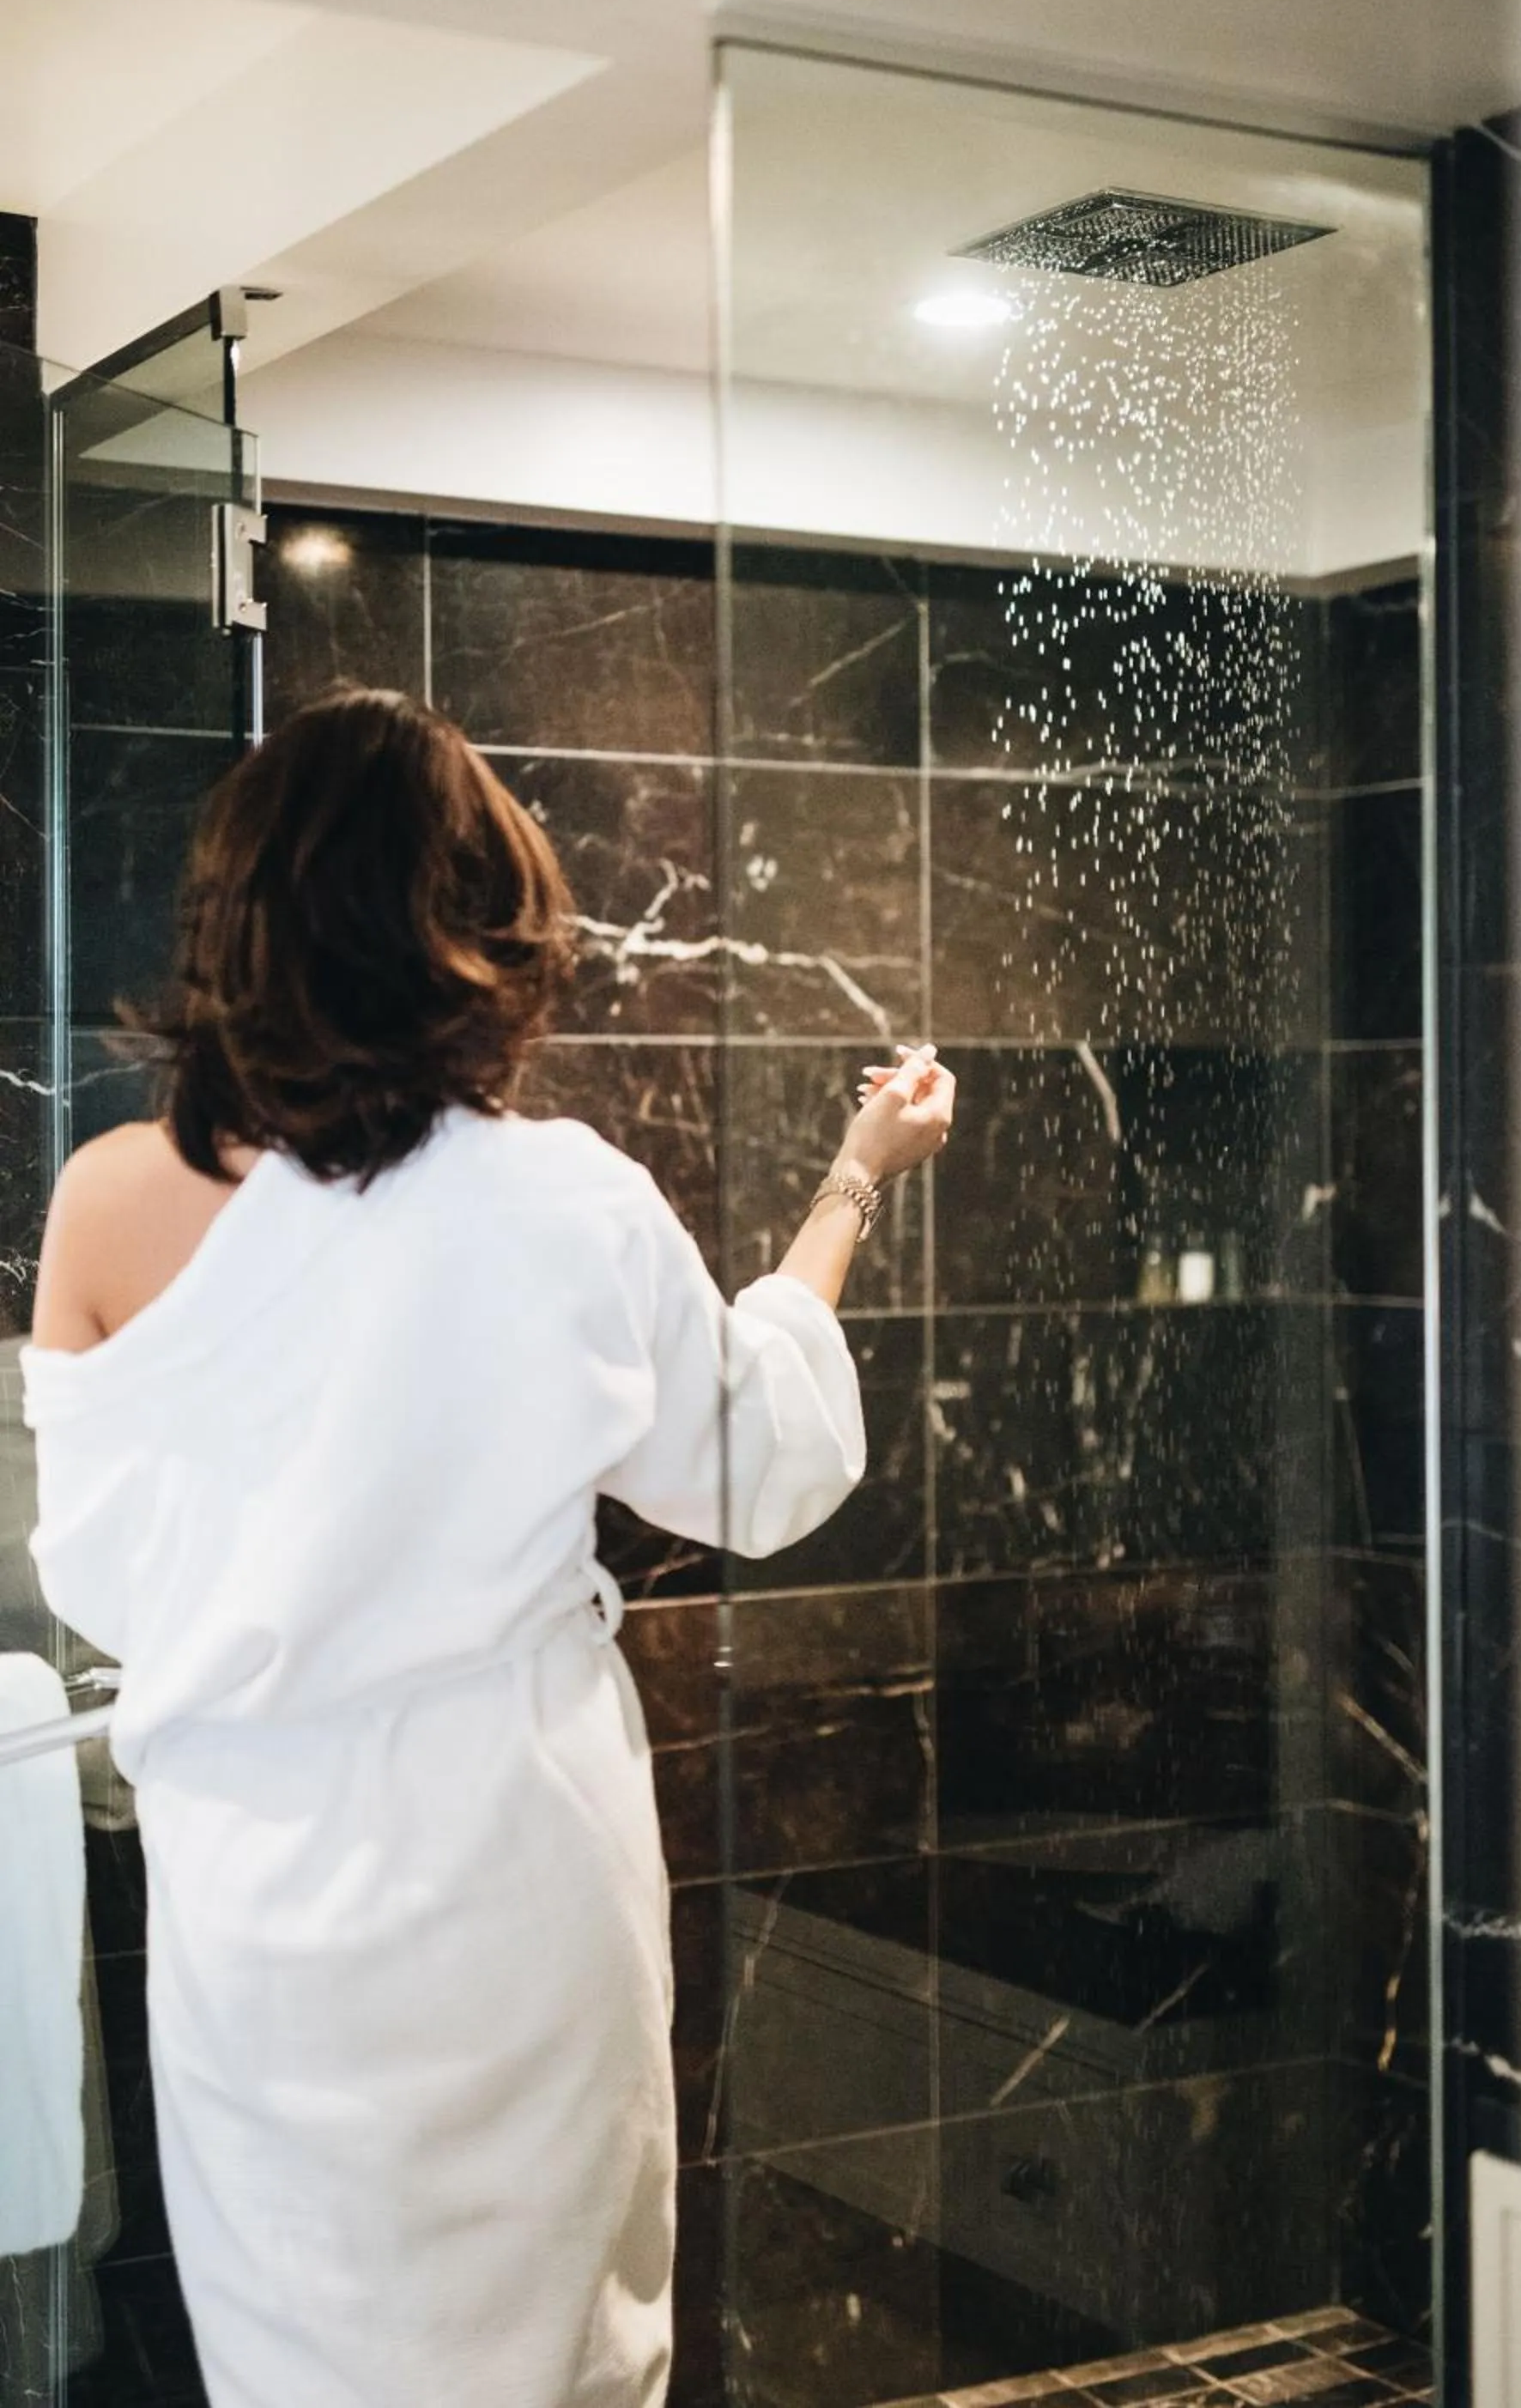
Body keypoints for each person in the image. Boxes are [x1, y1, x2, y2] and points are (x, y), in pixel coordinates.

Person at [22, 688, 954, 2408]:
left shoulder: (105, 1201)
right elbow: (755, 1465)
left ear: (236, 920)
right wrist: (853, 1181)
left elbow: (95, 1575)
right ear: (482, 927)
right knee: (557, 2362)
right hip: (521, 1889)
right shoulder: (564, 1197)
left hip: (264, 1914)